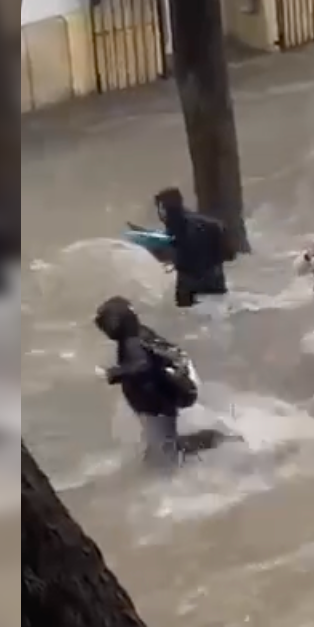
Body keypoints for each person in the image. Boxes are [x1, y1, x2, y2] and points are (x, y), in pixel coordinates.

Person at [93, 296, 227, 467]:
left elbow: (141, 365)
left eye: (108, 323)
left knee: (165, 451)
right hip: (164, 396)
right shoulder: (140, 333)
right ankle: (210, 441)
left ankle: (214, 442)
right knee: (161, 443)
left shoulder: (131, 343)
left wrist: (111, 373)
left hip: (159, 402)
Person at [153, 187, 234, 308]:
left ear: (165, 208)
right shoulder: (210, 224)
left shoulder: (177, 225)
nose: (159, 214)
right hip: (214, 280)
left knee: (186, 320)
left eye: (160, 208)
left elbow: (180, 252)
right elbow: (230, 254)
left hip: (191, 284)